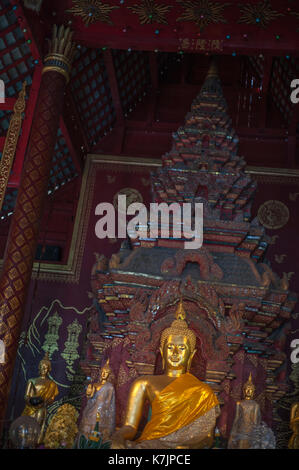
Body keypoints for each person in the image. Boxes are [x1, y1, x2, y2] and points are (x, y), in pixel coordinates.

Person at [111, 299, 220, 449]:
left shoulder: (203, 392)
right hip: (150, 445)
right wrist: (117, 439)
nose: (175, 353)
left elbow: (207, 439)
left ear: (191, 355)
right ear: (162, 352)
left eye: (181, 348)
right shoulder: (144, 383)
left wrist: (188, 447)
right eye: (170, 347)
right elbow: (129, 427)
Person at [22, 352, 58, 444]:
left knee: (36, 427)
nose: (43, 368)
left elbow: (52, 398)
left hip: (41, 408)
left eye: (46, 367)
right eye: (42, 366)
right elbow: (26, 396)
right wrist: (31, 401)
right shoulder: (32, 381)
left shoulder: (51, 384)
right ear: (39, 367)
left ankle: (33, 444)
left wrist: (44, 402)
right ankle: (24, 443)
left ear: (49, 369)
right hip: (30, 407)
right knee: (26, 426)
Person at [78, 359, 115, 442]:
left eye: (106, 372)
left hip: (101, 412)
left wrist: (105, 413)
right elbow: (89, 397)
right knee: (86, 430)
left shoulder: (110, 387)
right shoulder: (95, 384)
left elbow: (109, 403)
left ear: (109, 374)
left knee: (96, 432)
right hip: (91, 410)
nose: (104, 374)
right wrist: (89, 391)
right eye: (102, 372)